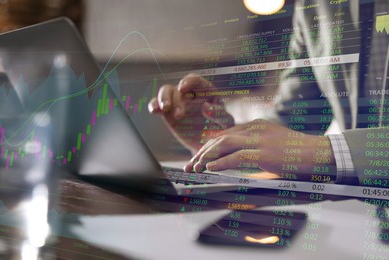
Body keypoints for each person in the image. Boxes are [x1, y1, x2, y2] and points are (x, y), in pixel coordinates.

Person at [149, 0, 389, 188]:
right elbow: (294, 125)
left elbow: (310, 148)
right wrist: (219, 137)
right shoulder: (312, 8)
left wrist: (330, 152)